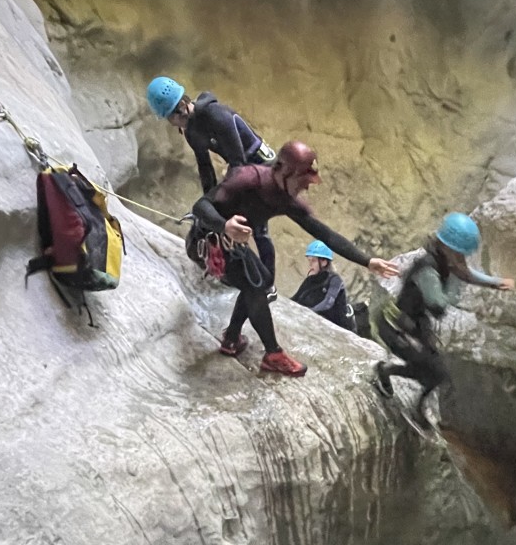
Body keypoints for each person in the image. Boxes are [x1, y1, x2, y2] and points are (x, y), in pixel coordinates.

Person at [191, 141, 399, 377]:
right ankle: (273, 354)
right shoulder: (247, 179)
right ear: (283, 170)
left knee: (261, 280)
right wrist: (224, 225)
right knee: (256, 286)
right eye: (302, 182)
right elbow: (201, 206)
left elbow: (325, 234)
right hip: (207, 243)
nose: (306, 188)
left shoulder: (286, 200)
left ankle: (232, 339)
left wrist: (367, 261)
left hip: (230, 247)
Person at [374, 212, 514, 427]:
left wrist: (494, 283)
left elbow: (465, 272)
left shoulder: (442, 259)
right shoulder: (427, 269)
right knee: (430, 371)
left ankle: (418, 405)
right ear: (449, 249)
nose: (463, 260)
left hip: (413, 325)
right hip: (395, 327)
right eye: (461, 255)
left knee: (439, 373)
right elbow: (438, 305)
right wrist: (456, 283)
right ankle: (385, 370)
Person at [146, 75, 278, 296]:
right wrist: (209, 207)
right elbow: (205, 170)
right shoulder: (191, 130)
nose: (172, 124)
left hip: (263, 169)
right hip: (241, 168)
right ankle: (239, 273)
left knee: (258, 228)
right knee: (218, 217)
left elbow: (238, 162)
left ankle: (268, 285)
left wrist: (222, 203)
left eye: (170, 118)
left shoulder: (215, 115)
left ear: (180, 107)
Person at [291, 240, 352, 330]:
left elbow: (328, 303)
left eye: (314, 261)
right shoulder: (310, 280)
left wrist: (307, 312)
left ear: (324, 262)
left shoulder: (335, 280)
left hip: (337, 328)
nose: (310, 264)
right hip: (315, 324)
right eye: (309, 260)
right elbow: (295, 299)